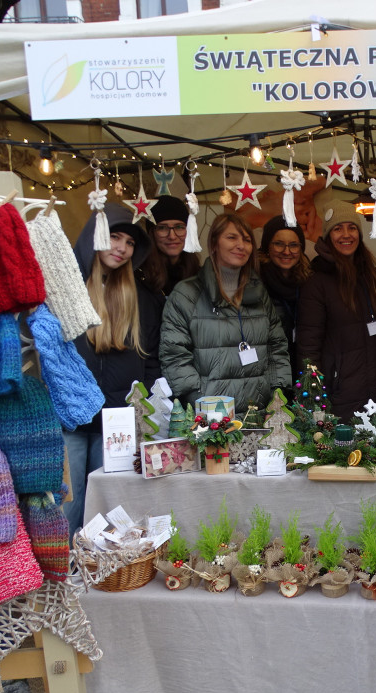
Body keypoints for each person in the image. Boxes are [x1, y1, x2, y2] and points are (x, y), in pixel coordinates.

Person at [68, 203, 163, 536]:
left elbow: (152, 360)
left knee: (110, 510)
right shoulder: (68, 290)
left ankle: (104, 564)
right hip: (71, 420)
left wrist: (141, 405)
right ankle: (66, 565)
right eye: (114, 237)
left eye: (130, 242)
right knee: (69, 506)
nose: (122, 247)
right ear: (94, 236)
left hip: (117, 423)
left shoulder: (142, 298)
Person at [159, 212, 291, 410]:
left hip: (258, 414)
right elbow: (174, 355)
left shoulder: (259, 294)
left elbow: (277, 348)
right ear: (214, 244)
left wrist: (277, 396)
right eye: (232, 237)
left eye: (247, 240)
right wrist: (200, 402)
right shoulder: (187, 294)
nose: (241, 245)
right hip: (209, 418)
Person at [296, 200, 376, 418]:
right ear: (328, 235)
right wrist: (314, 396)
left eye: (352, 228)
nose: (346, 235)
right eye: (338, 229)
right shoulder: (317, 283)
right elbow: (309, 347)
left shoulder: (375, 277)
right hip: (339, 395)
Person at [258, 215, 310, 376]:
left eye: (293, 245)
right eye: (279, 244)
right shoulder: (255, 281)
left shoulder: (309, 281)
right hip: (267, 367)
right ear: (267, 246)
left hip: (301, 363)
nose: (287, 252)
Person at [139, 195, 201, 296]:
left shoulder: (200, 276)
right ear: (152, 233)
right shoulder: (140, 277)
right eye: (162, 228)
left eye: (179, 227)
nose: (172, 236)